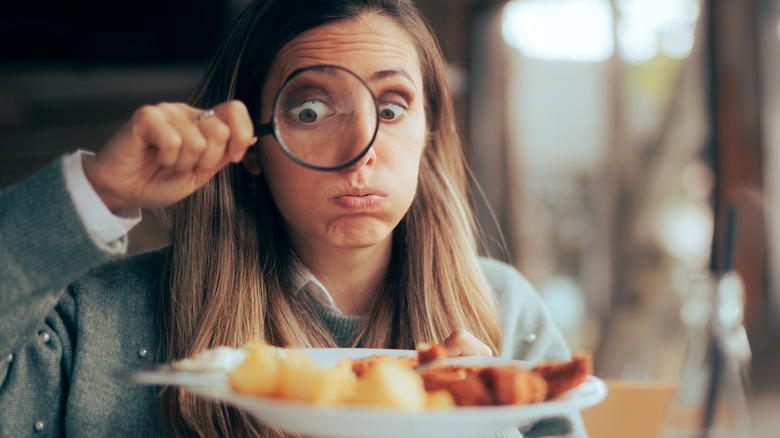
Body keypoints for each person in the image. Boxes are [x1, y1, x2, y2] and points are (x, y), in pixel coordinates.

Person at [0, 0, 587, 437]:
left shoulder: (506, 311)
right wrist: (94, 191)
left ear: (429, 134)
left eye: (391, 107)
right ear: (253, 145)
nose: (363, 147)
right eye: (310, 109)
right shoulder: (93, 318)